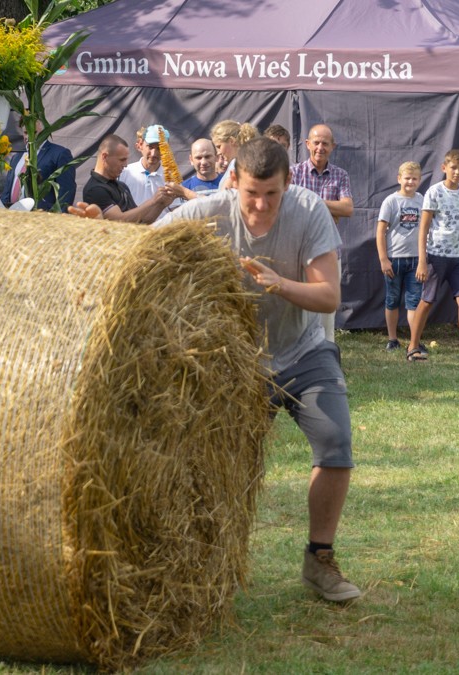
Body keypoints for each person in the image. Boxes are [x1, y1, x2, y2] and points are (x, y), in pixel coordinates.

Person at [154, 138, 360, 603]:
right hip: (239, 363)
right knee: (221, 463)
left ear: (288, 183)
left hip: (304, 352)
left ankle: (319, 559)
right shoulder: (209, 210)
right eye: (252, 193)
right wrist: (100, 226)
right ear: (233, 182)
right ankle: (212, 565)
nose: (261, 205)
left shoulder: (309, 211)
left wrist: (280, 284)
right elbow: (144, 245)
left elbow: (329, 296)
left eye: (272, 193)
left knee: (336, 442)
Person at [407, 149, 459, 366]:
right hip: (436, 257)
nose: (457, 172)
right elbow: (423, 229)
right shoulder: (434, 192)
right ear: (444, 168)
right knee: (426, 301)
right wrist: (422, 261)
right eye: (453, 168)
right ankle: (413, 346)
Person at [291, 124, 354, 342]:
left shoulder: (340, 175)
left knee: (327, 314)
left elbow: (347, 208)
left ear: (332, 146)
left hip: (329, 252)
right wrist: (329, 209)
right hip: (298, 253)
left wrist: (311, 202)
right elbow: (288, 207)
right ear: (307, 144)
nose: (320, 148)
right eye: (316, 142)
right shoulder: (293, 173)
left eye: (325, 143)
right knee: (298, 311)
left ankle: (326, 356)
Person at [376, 162, 424, 351]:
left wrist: (423, 259)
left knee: (414, 301)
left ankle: (414, 342)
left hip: (416, 259)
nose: (410, 182)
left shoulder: (422, 200)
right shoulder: (391, 201)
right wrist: (383, 259)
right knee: (392, 299)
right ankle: (392, 339)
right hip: (394, 259)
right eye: (407, 178)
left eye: (414, 179)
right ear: (399, 179)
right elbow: (380, 231)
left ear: (419, 180)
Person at [82, 134, 177, 223]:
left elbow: (141, 222)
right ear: (105, 156)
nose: (125, 165)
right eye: (122, 160)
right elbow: (119, 221)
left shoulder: (121, 185)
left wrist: (161, 204)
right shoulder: (95, 190)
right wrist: (153, 201)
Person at [0, 123, 76, 212]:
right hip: (12, 214)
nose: (29, 136)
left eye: (34, 132)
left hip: (42, 215)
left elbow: (66, 191)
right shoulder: (16, 157)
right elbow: (7, 190)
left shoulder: (59, 154)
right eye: (25, 132)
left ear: (44, 133)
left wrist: (58, 216)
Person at [118, 125, 181, 217]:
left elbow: (176, 210)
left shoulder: (171, 176)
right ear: (139, 145)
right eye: (150, 147)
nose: (154, 153)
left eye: (159, 148)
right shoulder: (124, 173)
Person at [213, 120, 259, 188]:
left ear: (231, 141)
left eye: (219, 146)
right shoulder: (250, 159)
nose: (218, 152)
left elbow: (225, 193)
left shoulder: (237, 164)